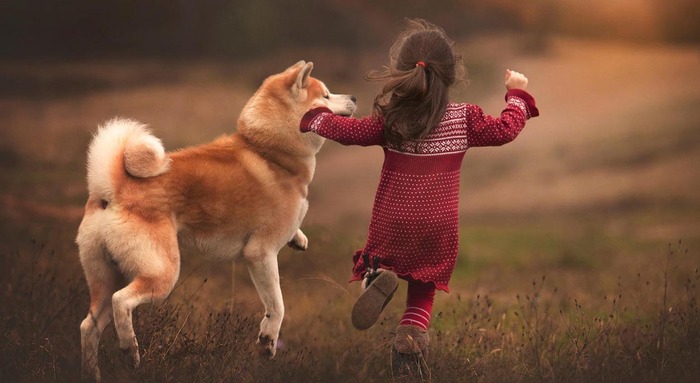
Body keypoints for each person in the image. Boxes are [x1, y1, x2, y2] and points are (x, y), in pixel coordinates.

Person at [300, 19, 539, 376]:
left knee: (381, 261)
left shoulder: (391, 121)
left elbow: (347, 131)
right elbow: (506, 130)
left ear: (402, 73)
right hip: (438, 228)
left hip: (393, 221)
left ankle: (377, 276)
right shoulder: (464, 118)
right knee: (422, 291)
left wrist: (315, 116)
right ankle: (409, 339)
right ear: (449, 75)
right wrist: (516, 94)